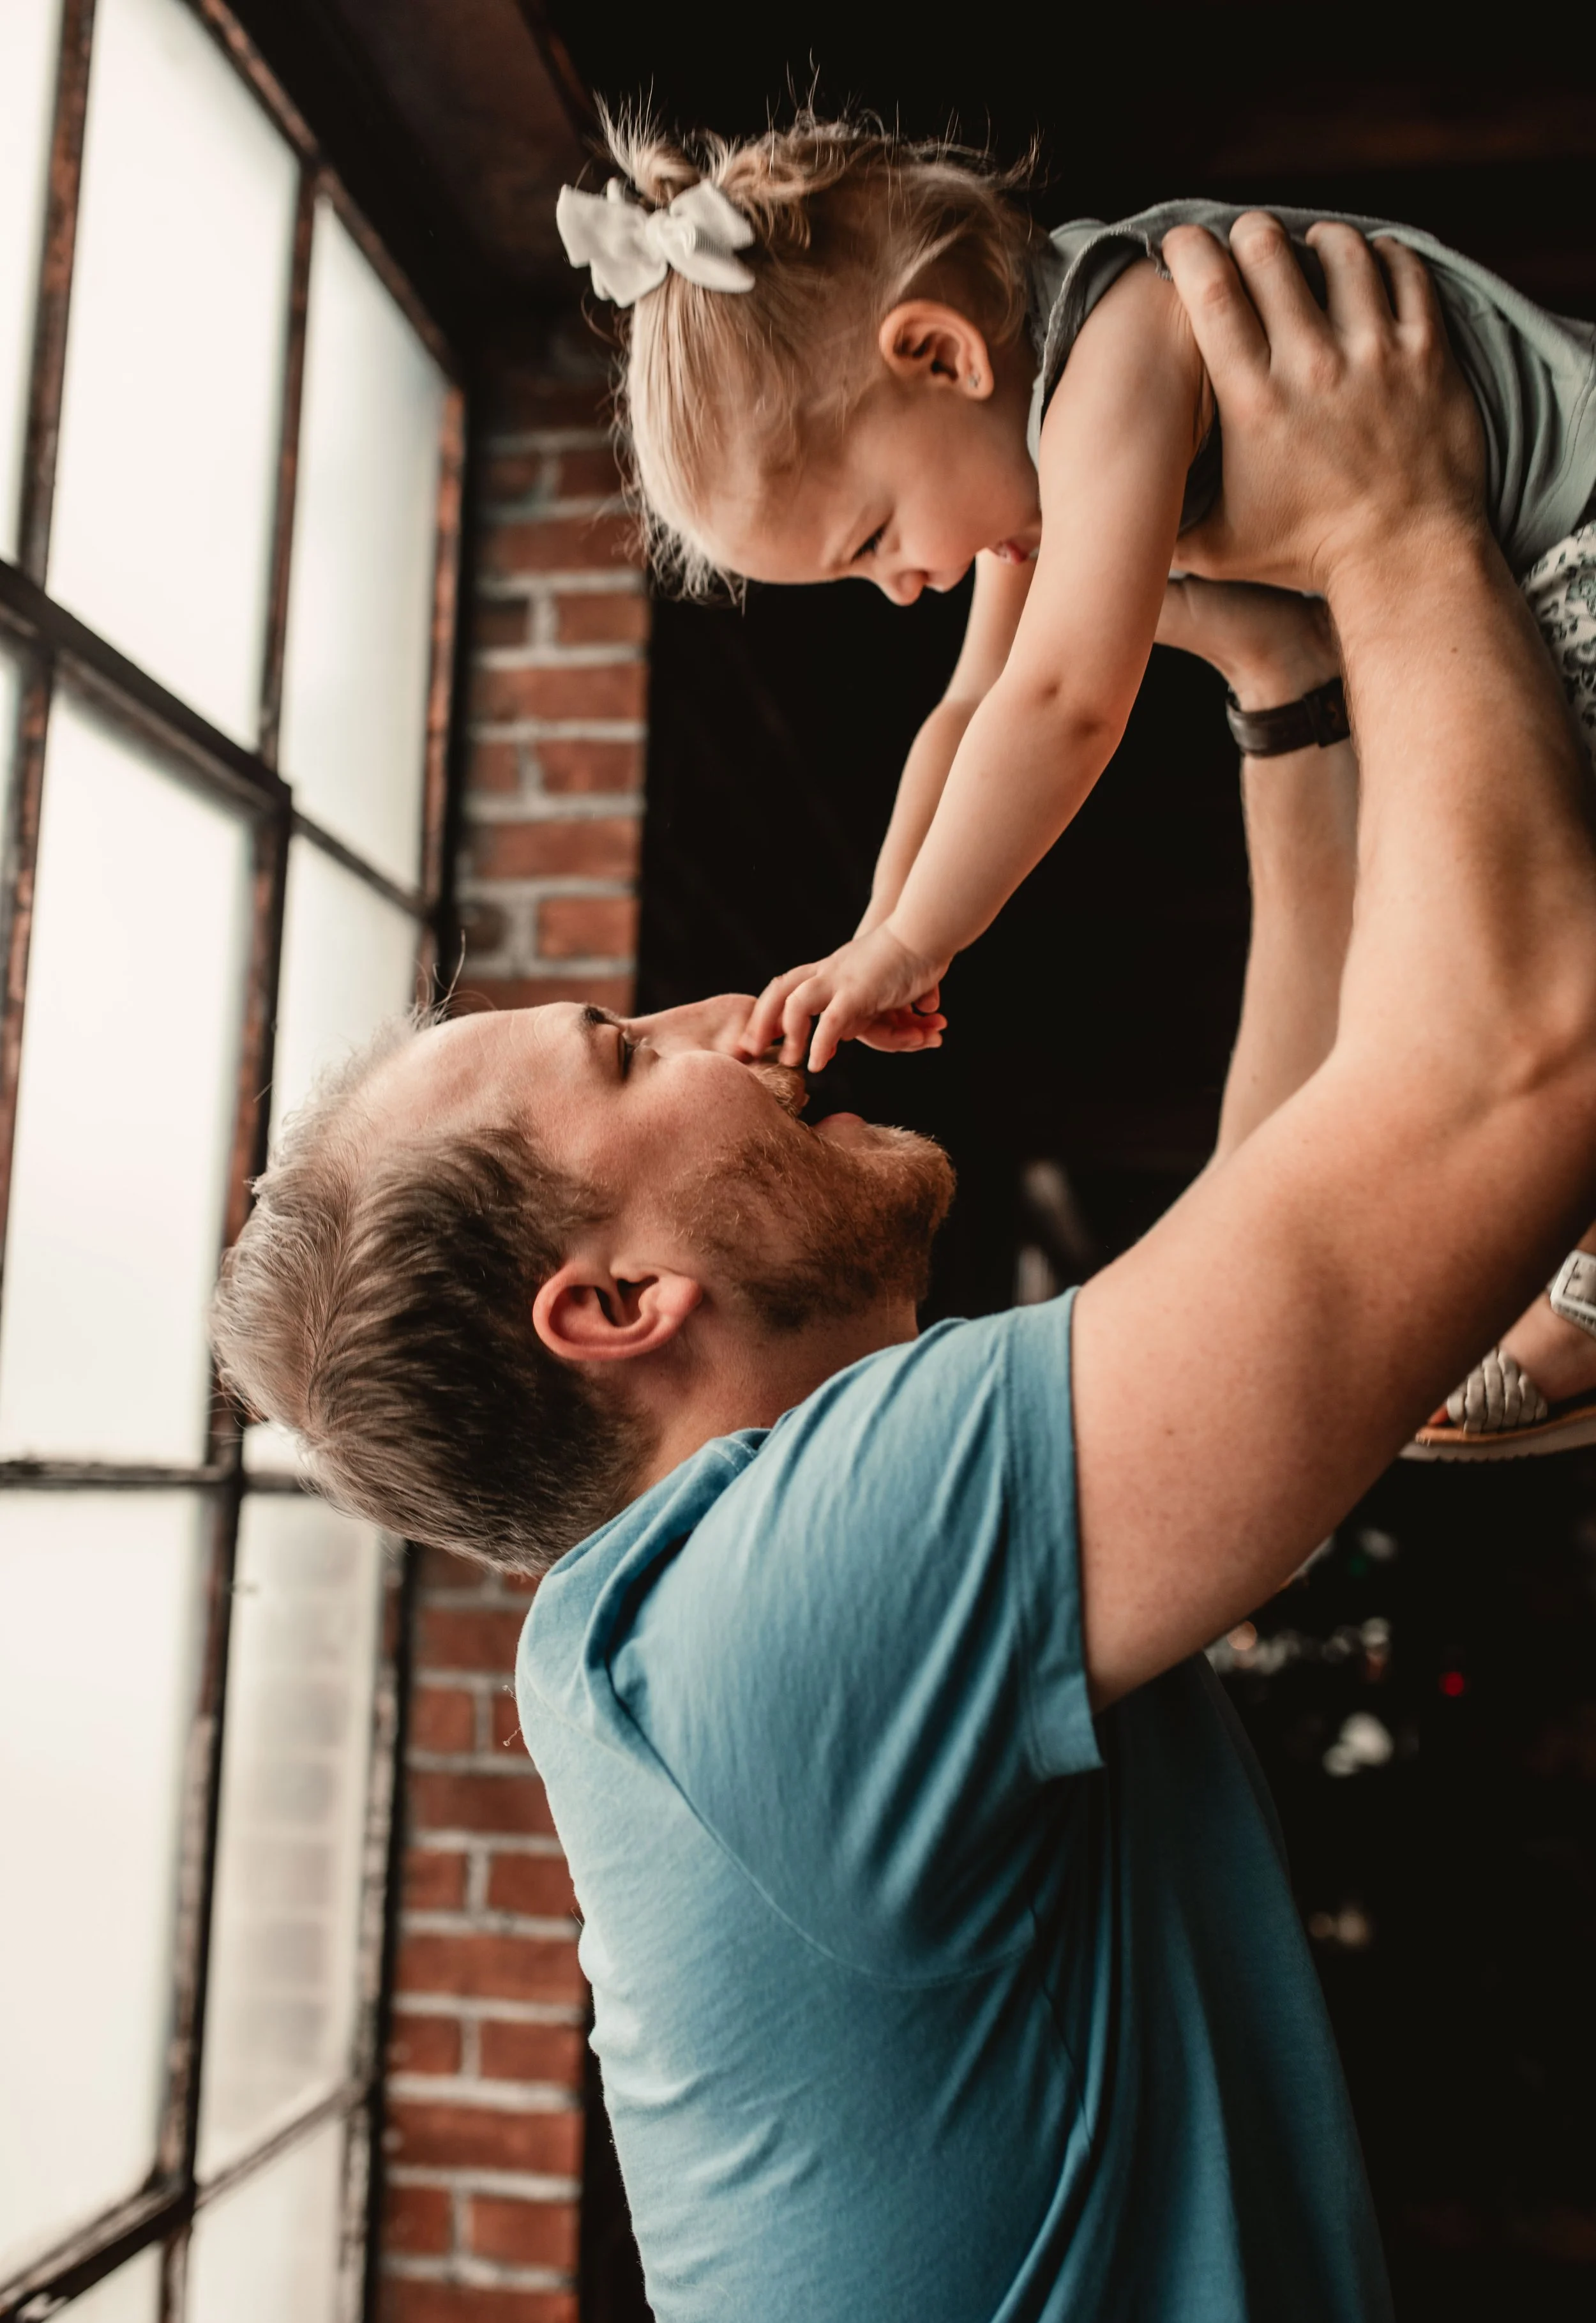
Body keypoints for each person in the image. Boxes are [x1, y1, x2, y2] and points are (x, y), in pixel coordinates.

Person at [211, 223, 1596, 2323]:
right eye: (622, 1053)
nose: (716, 1018)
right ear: (616, 1304)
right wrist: (1406, 514)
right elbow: (1512, 1068)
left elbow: (1286, 1234)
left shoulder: (734, 1607)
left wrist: (1296, 687)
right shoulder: (759, 1614)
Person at [557, 117, 1596, 1454]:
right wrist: (872, 941)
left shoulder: (1120, 352)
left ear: (938, 353)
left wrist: (922, 936)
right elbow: (964, 713)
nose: (904, 585)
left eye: (874, 536)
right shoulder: (1027, 454)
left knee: (1509, 916)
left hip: (1575, 545)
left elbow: (1062, 699)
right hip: (1517, 580)